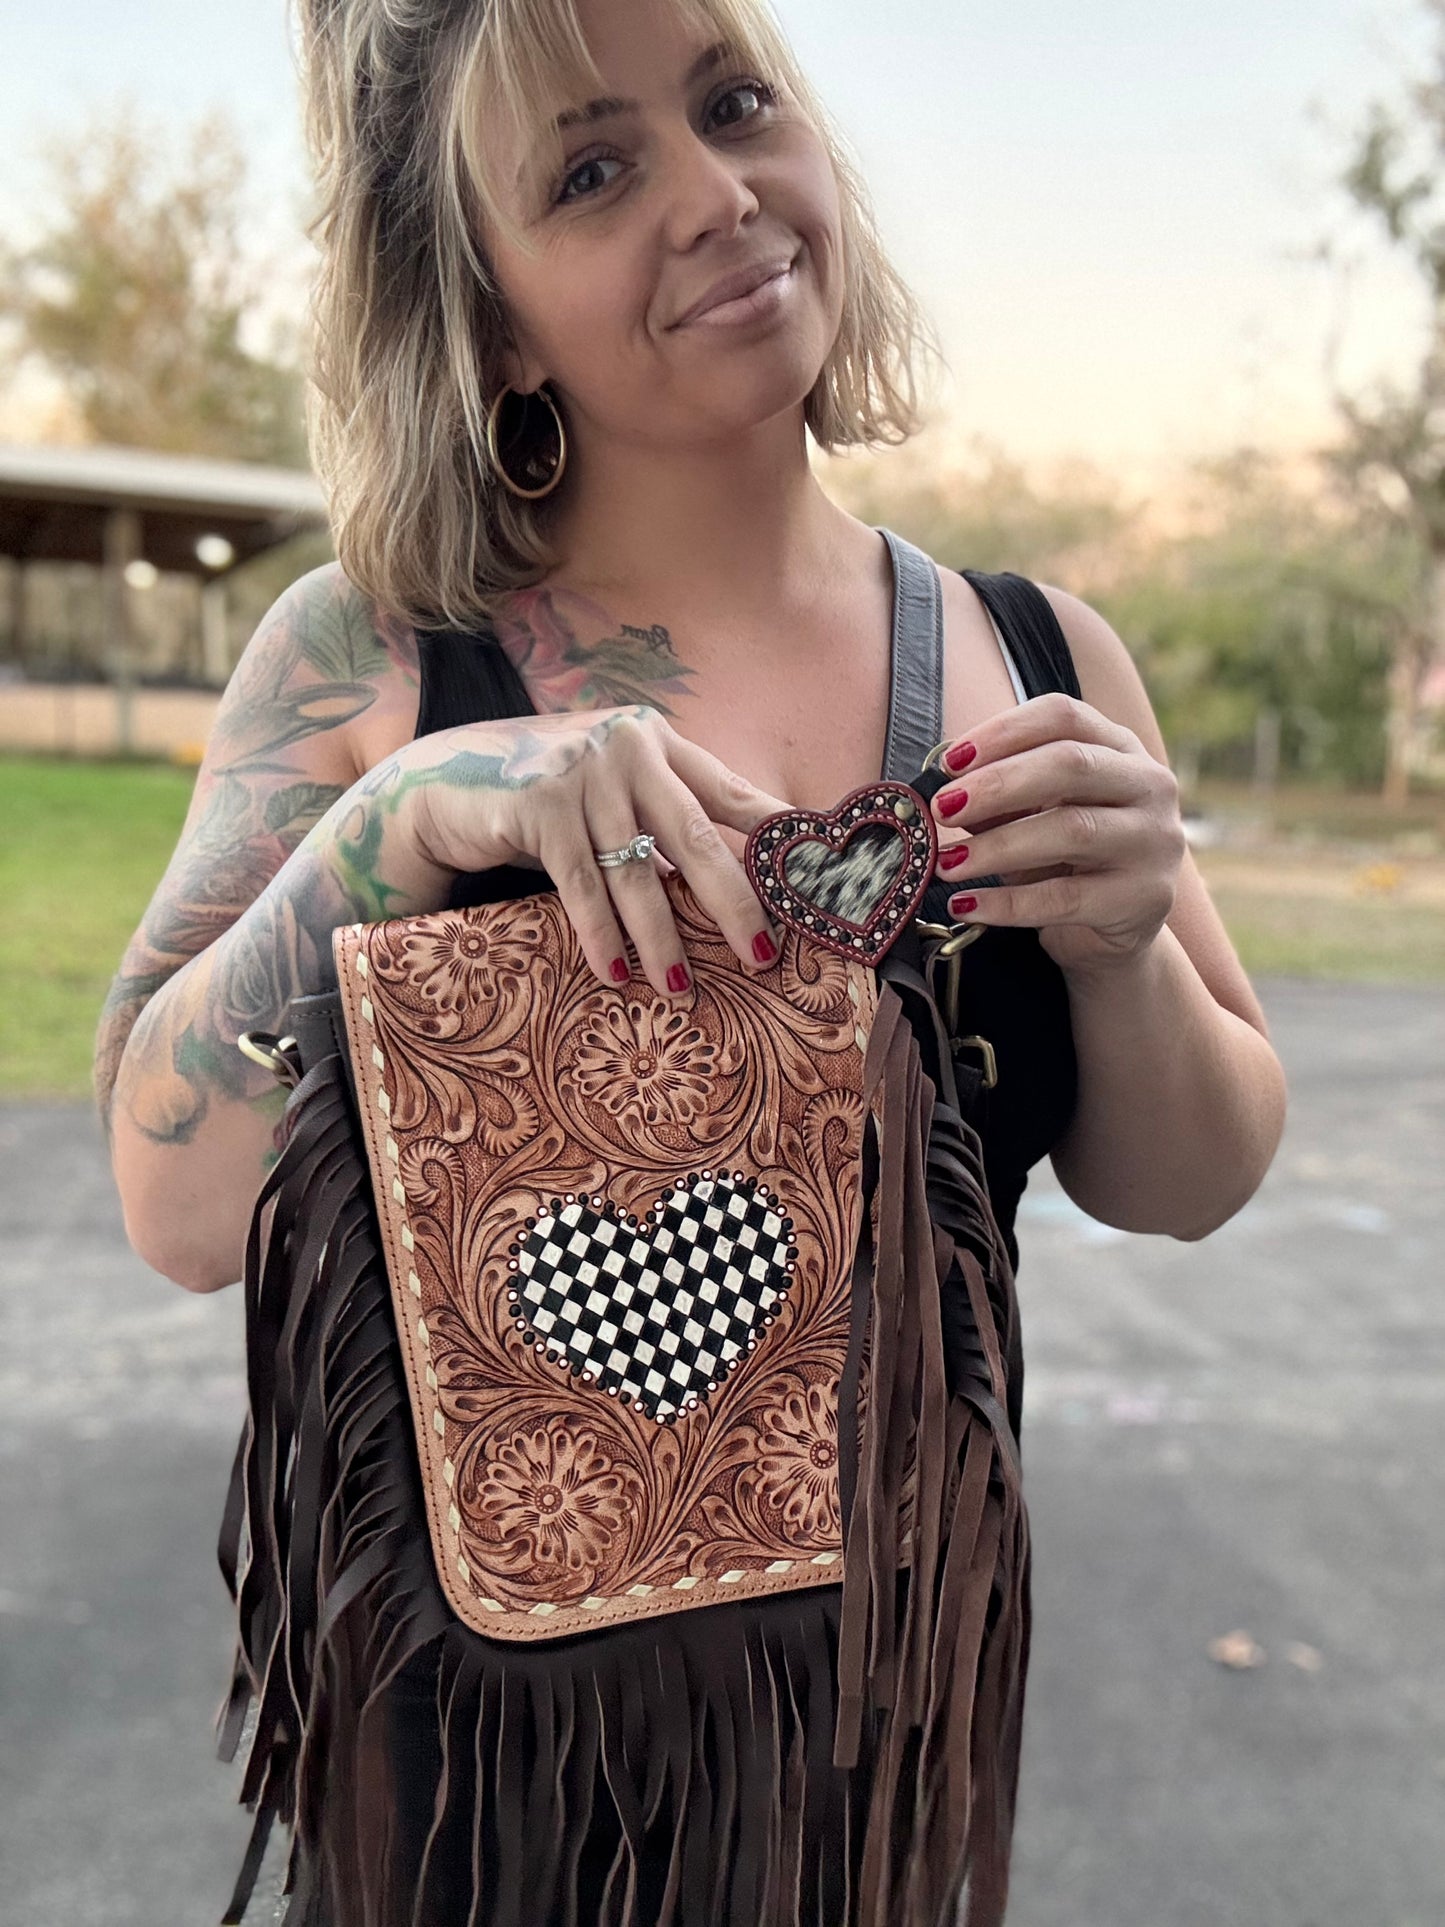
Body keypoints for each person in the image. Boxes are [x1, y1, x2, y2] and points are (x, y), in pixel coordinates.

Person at [96, 0, 1288, 1918]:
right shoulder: (373, 661)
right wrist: (402, 818)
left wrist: (1126, 948)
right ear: (486, 317)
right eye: (590, 169)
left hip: (875, 1776)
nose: (715, 193)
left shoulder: (1031, 653)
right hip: (471, 1799)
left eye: (737, 104)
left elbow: (1188, 1179)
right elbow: (168, 1198)